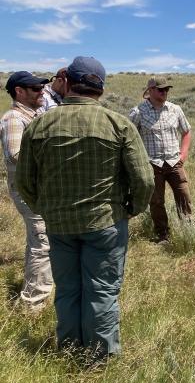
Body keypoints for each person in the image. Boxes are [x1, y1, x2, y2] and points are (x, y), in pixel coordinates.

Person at [16, 56, 154, 360]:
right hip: (105, 222)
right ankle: (99, 358)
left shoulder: (39, 124)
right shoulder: (118, 124)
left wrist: (47, 208)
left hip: (59, 224)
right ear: (100, 87)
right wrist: (133, 208)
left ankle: (68, 349)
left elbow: (24, 181)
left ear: (68, 83)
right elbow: (144, 179)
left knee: (67, 290)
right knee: (102, 291)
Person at [1, 71, 54, 312]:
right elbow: (16, 155)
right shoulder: (14, 118)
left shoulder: (36, 115)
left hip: (39, 187)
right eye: (35, 88)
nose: (41, 91)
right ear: (19, 92)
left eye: (41, 87)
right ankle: (33, 304)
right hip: (27, 189)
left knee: (39, 238)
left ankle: (36, 289)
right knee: (42, 240)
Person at [129, 77, 193, 243]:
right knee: (156, 201)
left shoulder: (175, 109)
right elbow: (129, 137)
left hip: (174, 162)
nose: (165, 92)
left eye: (166, 90)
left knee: (184, 196)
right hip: (152, 164)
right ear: (150, 90)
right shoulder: (137, 112)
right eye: (161, 89)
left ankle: (188, 231)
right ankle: (162, 235)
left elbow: (186, 131)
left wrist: (183, 154)